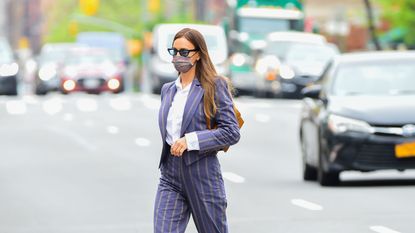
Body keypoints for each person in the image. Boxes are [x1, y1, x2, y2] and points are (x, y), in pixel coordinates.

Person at [154, 28, 241, 233]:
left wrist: (190, 140)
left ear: (198, 54)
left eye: (184, 52)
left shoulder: (214, 86)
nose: (178, 57)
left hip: (202, 173)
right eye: (174, 51)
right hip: (170, 175)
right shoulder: (168, 90)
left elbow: (231, 132)